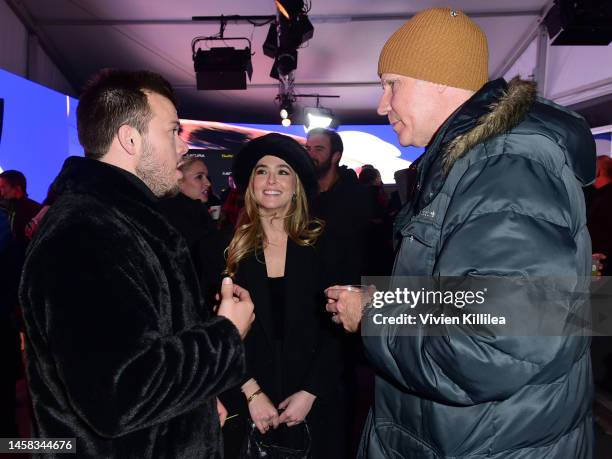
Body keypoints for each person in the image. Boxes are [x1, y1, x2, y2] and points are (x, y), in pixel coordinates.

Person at [326, 7, 595, 458]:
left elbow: (493, 343)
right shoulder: (477, 162)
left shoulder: (505, 165)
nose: (381, 104)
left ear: (440, 81)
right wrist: (387, 301)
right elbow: (478, 303)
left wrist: (375, 316)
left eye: (392, 83)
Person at [19, 69, 254, 458]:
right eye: (173, 131)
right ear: (130, 138)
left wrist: (192, 408)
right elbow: (121, 394)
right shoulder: (85, 234)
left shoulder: (119, 221)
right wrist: (226, 333)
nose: (183, 148)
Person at [224, 133, 344, 458]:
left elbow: (340, 329)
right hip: (247, 400)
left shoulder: (325, 243)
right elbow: (216, 332)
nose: (271, 180)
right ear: (250, 183)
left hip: (314, 399)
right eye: (262, 170)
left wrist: (310, 392)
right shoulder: (224, 249)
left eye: (283, 171)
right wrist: (250, 392)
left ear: (296, 185)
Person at [159, 155, 227, 311]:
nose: (208, 183)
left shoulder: (172, 211)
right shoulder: (190, 214)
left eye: (207, 177)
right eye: (199, 177)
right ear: (178, 180)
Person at [305, 128, 373, 284]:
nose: (310, 154)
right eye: (307, 148)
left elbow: (362, 251)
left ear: (336, 156)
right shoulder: (300, 193)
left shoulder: (355, 196)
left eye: (319, 149)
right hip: (306, 289)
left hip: (344, 290)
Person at [0, 170, 42, 252]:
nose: (1, 192)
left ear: (17, 189)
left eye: (3, 187)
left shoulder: (32, 209)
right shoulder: (10, 210)